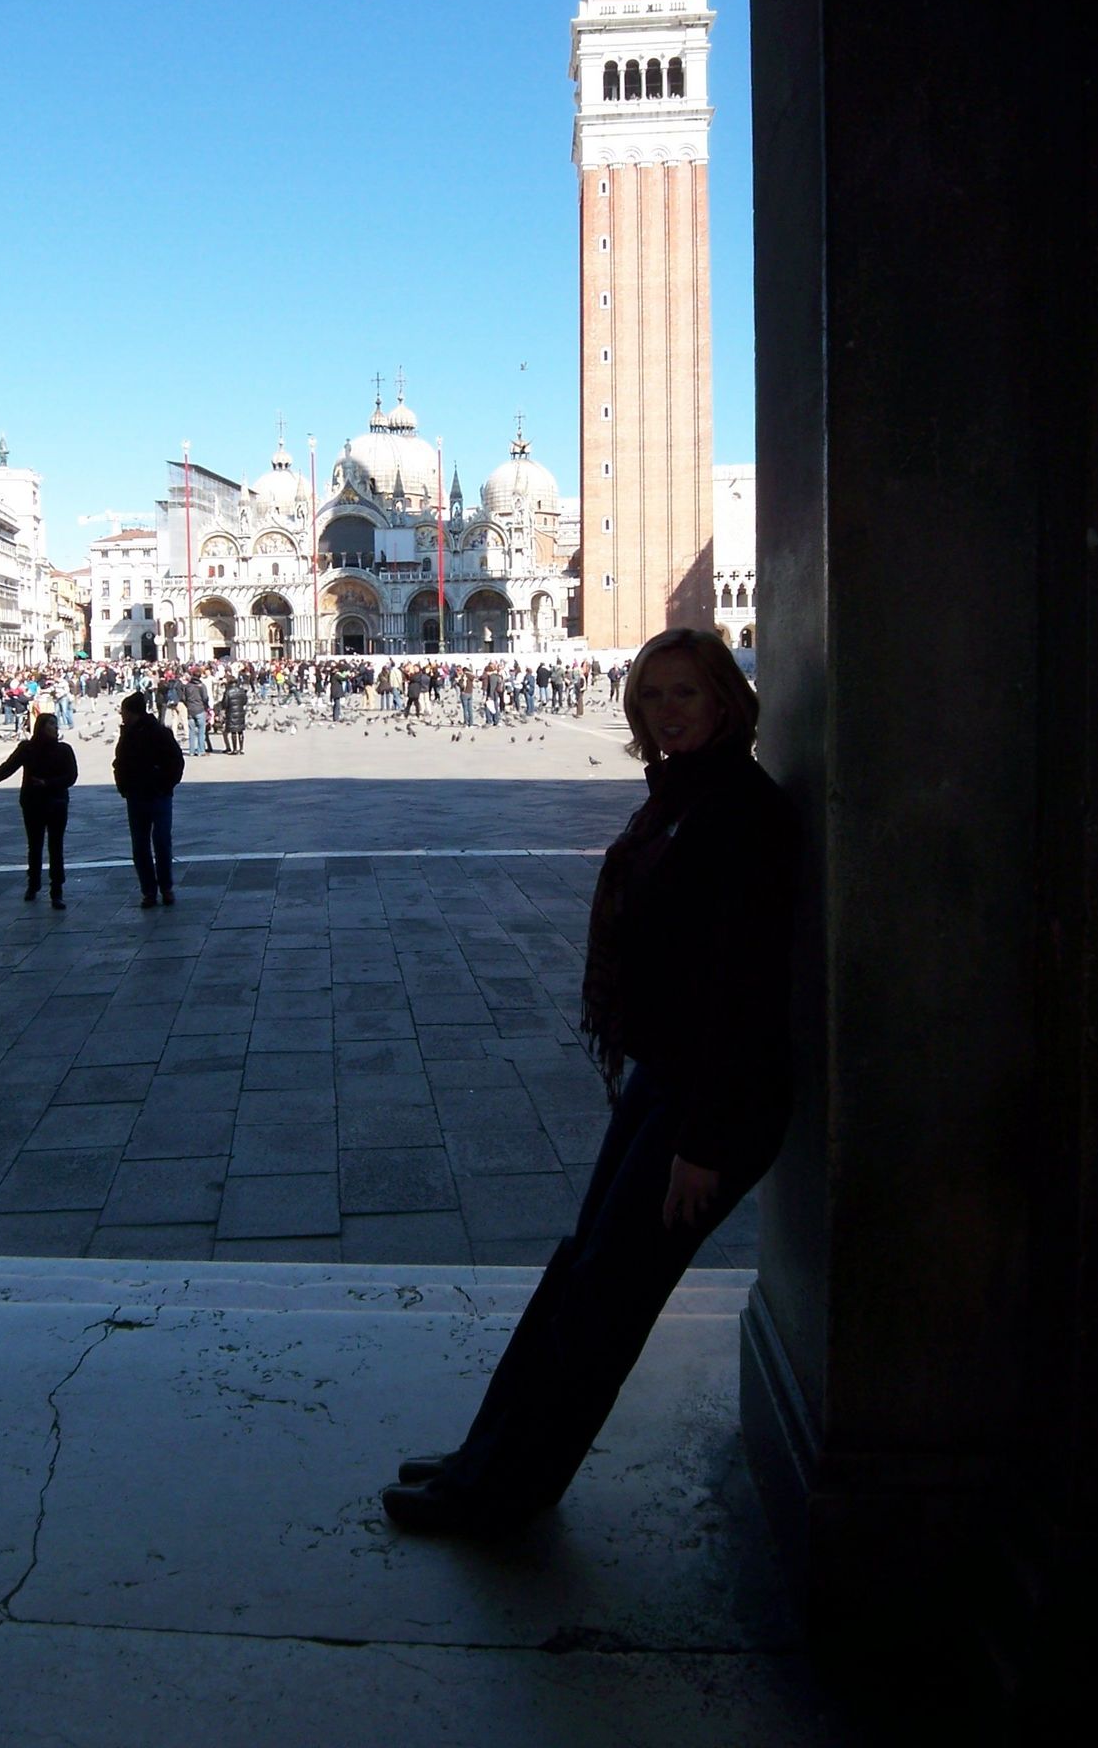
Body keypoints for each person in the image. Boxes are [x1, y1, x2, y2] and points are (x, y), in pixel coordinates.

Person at [381, 628, 797, 1535]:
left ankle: (504, 1494)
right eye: (652, 697)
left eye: (685, 693)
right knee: (581, 1272)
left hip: (707, 1105)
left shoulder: (742, 812)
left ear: (727, 698)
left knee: (607, 1297)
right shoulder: (685, 794)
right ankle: (484, 1456)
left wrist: (705, 1145)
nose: (666, 711)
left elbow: (750, 992)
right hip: (669, 1075)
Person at [0, 711, 78, 909]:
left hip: (56, 803)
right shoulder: (28, 748)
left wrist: (46, 783)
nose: (55, 728)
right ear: (41, 727)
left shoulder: (64, 749)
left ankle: (57, 890)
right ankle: (34, 884)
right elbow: (8, 767)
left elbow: (71, 776)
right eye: (51, 724)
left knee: (55, 848)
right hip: (34, 803)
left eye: (56, 724)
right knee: (35, 846)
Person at [112, 689, 184, 908]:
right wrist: (123, 787)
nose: (121, 716)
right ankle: (151, 890)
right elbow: (119, 763)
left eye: (123, 712)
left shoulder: (160, 733)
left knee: (159, 842)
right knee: (142, 845)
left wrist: (164, 784)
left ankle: (164, 888)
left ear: (132, 713)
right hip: (136, 795)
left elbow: (176, 763)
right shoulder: (127, 735)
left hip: (157, 795)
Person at [221, 675, 248, 755]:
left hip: (231, 712)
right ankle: (241, 748)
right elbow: (245, 701)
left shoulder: (228, 692)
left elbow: (225, 703)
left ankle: (235, 749)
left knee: (233, 731)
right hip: (240, 712)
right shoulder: (241, 690)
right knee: (240, 731)